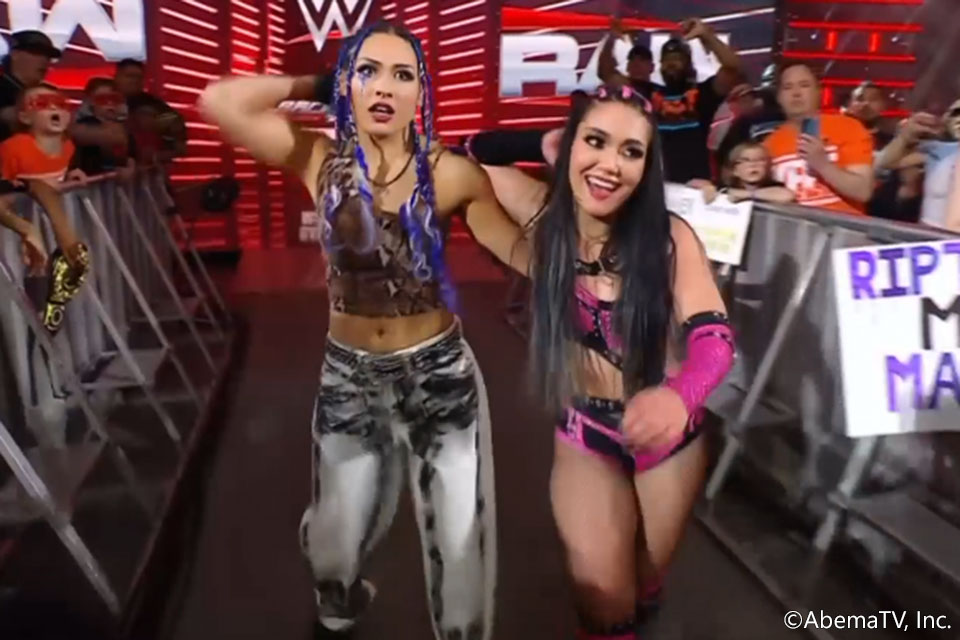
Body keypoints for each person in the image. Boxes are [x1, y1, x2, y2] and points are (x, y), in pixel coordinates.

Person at [199, 21, 531, 639]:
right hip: (349, 375)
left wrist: (588, 263)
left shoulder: (451, 172)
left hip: (439, 373)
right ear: (346, 85)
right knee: (333, 546)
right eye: (367, 72)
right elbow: (219, 102)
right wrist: (313, 83)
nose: (384, 87)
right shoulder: (318, 159)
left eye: (402, 75)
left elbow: (514, 249)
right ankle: (342, 592)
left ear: (421, 93)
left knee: (458, 536)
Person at [488, 83, 734, 638]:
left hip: (671, 441)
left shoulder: (669, 239)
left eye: (631, 152)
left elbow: (715, 338)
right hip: (586, 432)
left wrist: (679, 396)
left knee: (643, 585)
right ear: (569, 143)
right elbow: (474, 153)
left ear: (646, 168)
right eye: (595, 141)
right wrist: (542, 142)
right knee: (603, 598)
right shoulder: (544, 217)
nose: (610, 166)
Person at [599, 17, 743, 183]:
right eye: (666, 60)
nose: (671, 63)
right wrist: (612, 37)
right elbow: (606, 73)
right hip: (656, 183)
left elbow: (734, 68)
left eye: (676, 58)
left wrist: (707, 35)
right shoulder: (648, 92)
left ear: (688, 63)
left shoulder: (703, 92)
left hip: (695, 184)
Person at [0, 83, 90, 332]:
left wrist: (72, 174)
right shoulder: (13, 148)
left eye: (60, 104)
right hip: (15, 240)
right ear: (24, 116)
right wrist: (25, 227)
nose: (53, 109)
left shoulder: (70, 148)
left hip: (50, 234)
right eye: (41, 104)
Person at [763, 62, 874, 215]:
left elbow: (863, 192)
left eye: (804, 85)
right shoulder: (769, 145)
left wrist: (822, 165)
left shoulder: (848, 127)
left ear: (818, 91)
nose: (796, 93)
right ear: (779, 97)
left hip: (843, 226)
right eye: (788, 87)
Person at [876, 102, 960, 230]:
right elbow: (887, 164)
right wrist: (905, 137)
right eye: (955, 113)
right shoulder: (940, 151)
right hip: (927, 234)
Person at [689, 141, 795, 205]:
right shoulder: (724, 187)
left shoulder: (774, 187)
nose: (753, 165)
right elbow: (692, 183)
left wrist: (746, 194)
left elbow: (787, 196)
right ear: (734, 170)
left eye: (760, 160)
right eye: (746, 160)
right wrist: (707, 186)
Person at [0, 30, 60, 142]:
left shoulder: (47, 92)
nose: (44, 60)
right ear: (15, 54)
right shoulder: (2, 87)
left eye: (48, 56)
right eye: (36, 53)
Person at [70, 77, 136, 177]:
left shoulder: (126, 126)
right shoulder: (85, 124)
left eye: (114, 99)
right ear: (91, 101)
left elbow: (131, 154)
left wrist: (130, 164)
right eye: (102, 99)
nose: (109, 104)